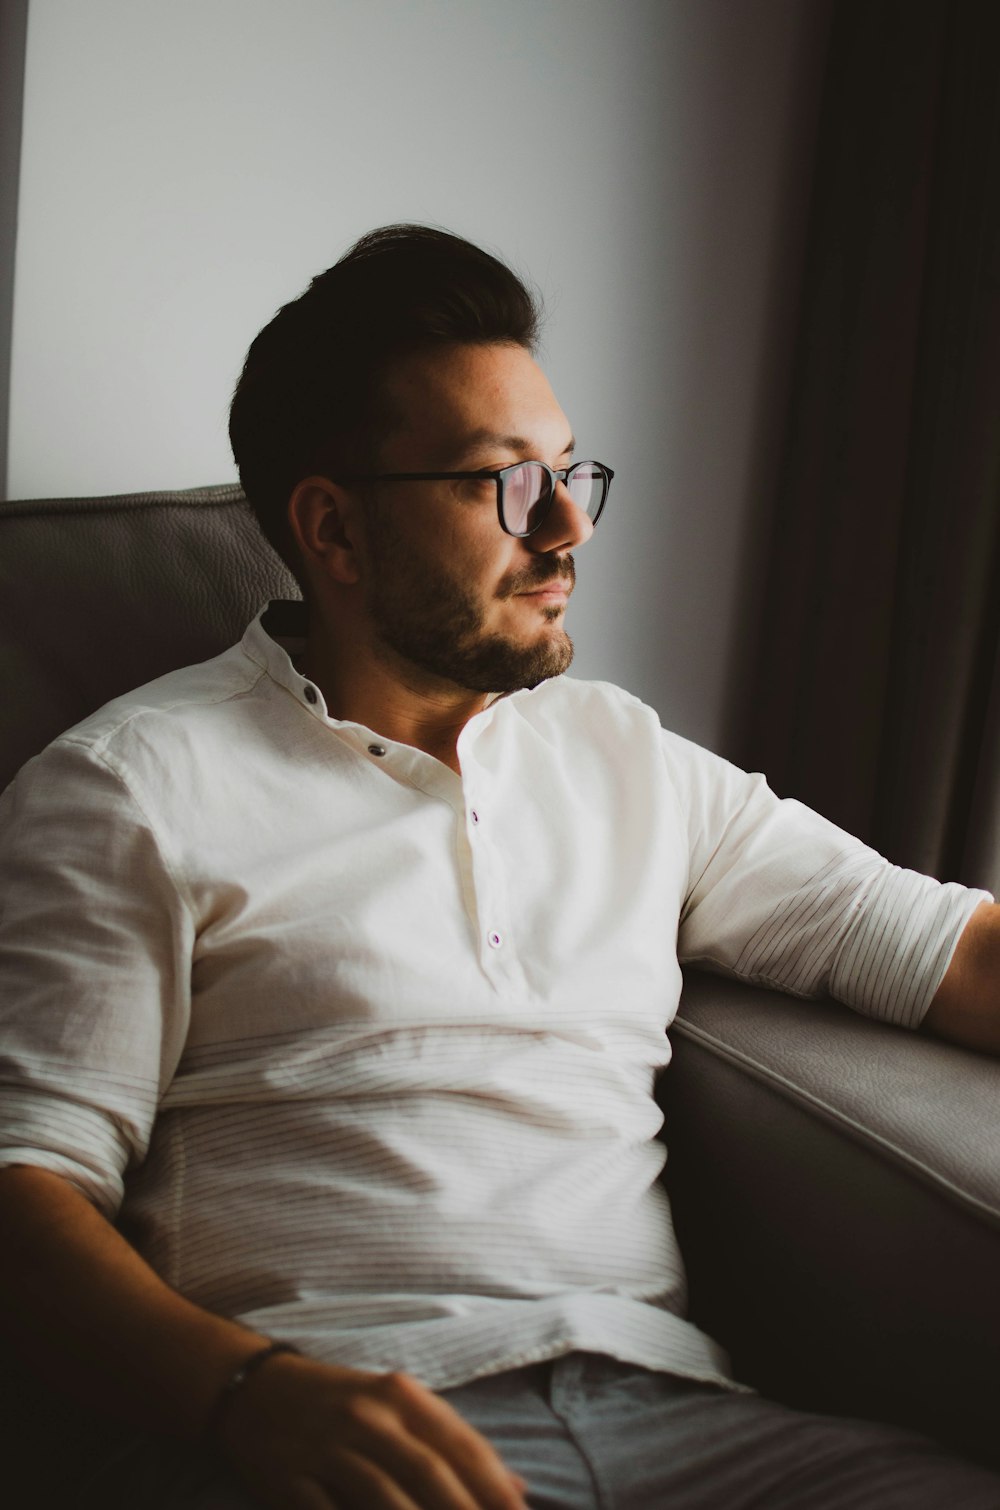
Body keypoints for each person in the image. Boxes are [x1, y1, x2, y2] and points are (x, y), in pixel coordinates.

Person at [1, 224, 999, 1510]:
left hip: (691, 1425)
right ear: (334, 530)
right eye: (504, 483)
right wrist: (246, 1391)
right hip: (356, 1430)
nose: (570, 526)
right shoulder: (132, 786)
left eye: (570, 471)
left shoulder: (624, 752)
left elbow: (944, 949)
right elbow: (26, 1180)